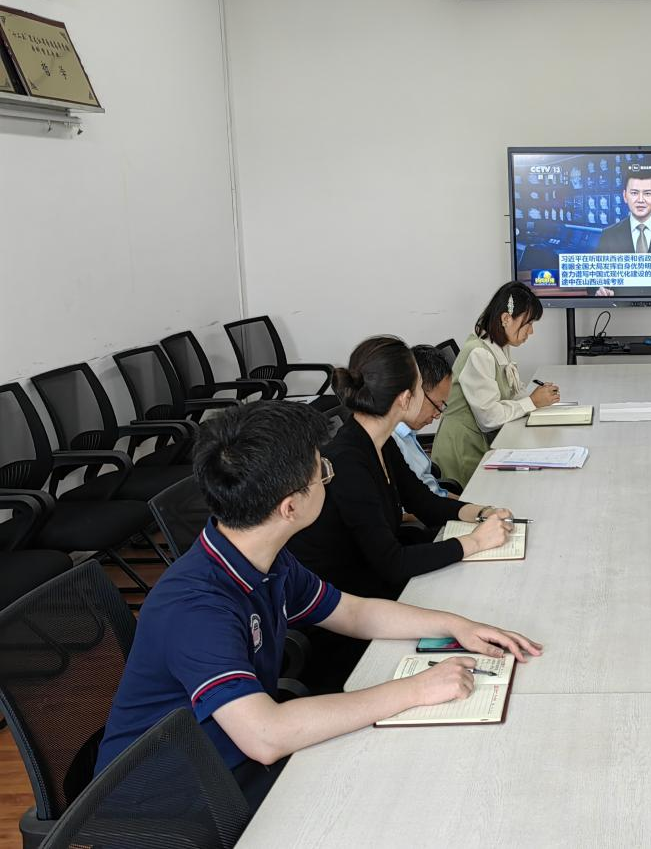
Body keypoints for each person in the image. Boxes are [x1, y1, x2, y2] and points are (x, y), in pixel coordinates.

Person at [94, 401, 541, 812]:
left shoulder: (262, 556)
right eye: (322, 472)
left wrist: (455, 625)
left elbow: (353, 613)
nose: (329, 476)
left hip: (226, 758)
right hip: (171, 802)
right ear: (290, 507)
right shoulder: (195, 607)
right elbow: (266, 736)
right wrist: (416, 690)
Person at [290, 336, 517, 603]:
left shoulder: (379, 440)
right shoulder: (348, 462)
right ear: (405, 398)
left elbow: (423, 502)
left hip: (374, 576)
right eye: (421, 386)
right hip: (349, 598)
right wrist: (476, 542)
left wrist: (481, 512)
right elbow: (393, 564)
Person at [432, 282, 559, 487]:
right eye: (528, 324)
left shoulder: (497, 344)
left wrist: (534, 397)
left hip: (479, 441)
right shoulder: (479, 353)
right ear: (506, 319)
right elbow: (489, 418)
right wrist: (532, 402)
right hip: (463, 450)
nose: (531, 331)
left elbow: (508, 394)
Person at [594, 166, 651, 297]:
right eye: (634, 193)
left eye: (647, 193)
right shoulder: (609, 234)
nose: (641, 200)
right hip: (620, 308)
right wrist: (601, 291)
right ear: (625, 196)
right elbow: (593, 282)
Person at [392, 345, 461, 500]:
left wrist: (468, 505)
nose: (437, 415)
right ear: (412, 393)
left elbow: (435, 492)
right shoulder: (392, 443)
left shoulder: (408, 432)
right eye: (437, 405)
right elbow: (419, 505)